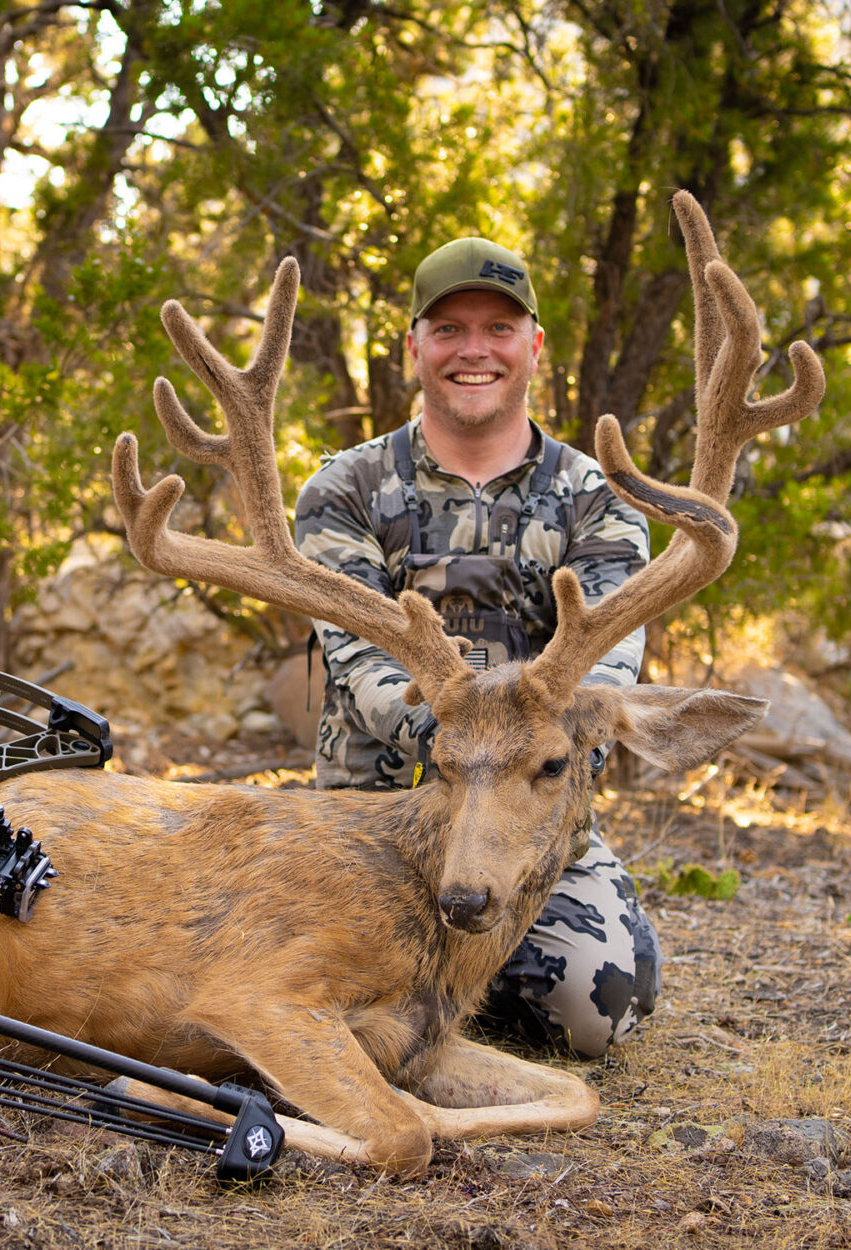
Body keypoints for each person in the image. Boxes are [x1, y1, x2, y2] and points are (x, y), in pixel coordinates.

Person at [293, 236, 661, 1059]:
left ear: (532, 347)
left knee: (595, 1010)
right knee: (307, 998)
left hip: (531, 823)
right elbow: (360, 667)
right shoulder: (345, 490)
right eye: (449, 328)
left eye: (498, 328)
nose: (474, 350)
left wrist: (525, 757)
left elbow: (609, 663)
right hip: (369, 825)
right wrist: (457, 742)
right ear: (414, 347)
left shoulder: (596, 498)